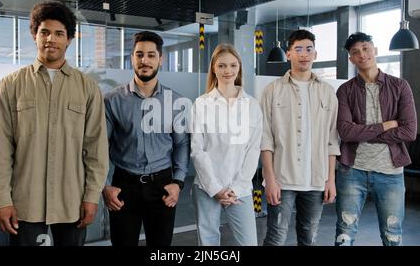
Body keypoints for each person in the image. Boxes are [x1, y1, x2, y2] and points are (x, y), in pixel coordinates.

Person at [0, 1, 109, 246]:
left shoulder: (87, 88)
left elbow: (95, 149)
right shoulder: (11, 85)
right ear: (34, 35)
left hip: (71, 203)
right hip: (25, 204)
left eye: (59, 33)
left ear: (69, 40)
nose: (51, 39)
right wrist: (2, 200)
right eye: (44, 32)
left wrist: (92, 196)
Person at [102, 31, 190, 246]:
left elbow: (182, 144)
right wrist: (104, 186)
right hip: (123, 187)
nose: (145, 61)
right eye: (139, 54)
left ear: (161, 59)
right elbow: (99, 147)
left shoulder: (174, 101)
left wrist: (178, 182)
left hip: (162, 187)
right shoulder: (112, 100)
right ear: (132, 58)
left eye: (151, 55)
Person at [335, 32, 417, 246]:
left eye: (365, 48)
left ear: (375, 50)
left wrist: (362, 131)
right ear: (350, 58)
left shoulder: (400, 86)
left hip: (390, 173)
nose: (362, 54)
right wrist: (385, 125)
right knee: (344, 235)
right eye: (355, 52)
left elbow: (409, 131)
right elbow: (345, 132)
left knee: (393, 237)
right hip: (352, 171)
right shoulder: (345, 91)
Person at [260, 29, 340, 246]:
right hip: (282, 179)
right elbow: (265, 138)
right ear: (288, 54)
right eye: (298, 49)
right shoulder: (272, 90)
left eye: (308, 49)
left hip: (316, 180)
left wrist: (330, 179)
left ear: (315, 54)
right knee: (275, 237)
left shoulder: (328, 92)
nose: (304, 54)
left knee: (309, 238)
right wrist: (269, 179)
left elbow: (332, 140)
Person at [190, 44, 262, 246]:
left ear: (239, 67)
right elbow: (198, 150)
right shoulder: (201, 104)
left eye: (232, 65)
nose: (227, 71)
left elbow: (253, 150)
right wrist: (215, 188)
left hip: (240, 188)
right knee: (209, 244)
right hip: (206, 187)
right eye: (221, 66)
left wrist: (236, 188)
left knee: (248, 243)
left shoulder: (252, 105)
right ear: (213, 68)